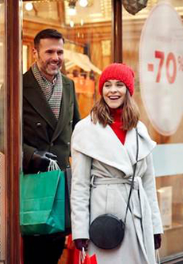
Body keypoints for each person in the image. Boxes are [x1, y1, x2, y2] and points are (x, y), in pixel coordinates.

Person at [70, 63, 163, 264]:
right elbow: (79, 185)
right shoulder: (86, 129)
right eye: (107, 85)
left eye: (119, 85)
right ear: (101, 90)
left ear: (128, 90)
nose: (113, 90)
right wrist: (80, 230)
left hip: (138, 215)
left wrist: (155, 226)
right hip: (104, 219)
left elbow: (148, 183)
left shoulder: (140, 129)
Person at [22, 28, 81, 264]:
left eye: (59, 51)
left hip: (60, 181)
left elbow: (77, 128)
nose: (55, 57)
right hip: (32, 182)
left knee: (56, 246)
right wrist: (30, 155)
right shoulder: (18, 85)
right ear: (35, 52)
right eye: (49, 52)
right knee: (35, 250)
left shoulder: (68, 85)